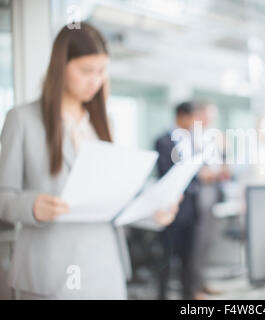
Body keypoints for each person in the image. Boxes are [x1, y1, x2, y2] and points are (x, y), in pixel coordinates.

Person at [0, 22, 179, 300]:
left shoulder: (106, 123)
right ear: (61, 66)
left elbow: (117, 198)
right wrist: (31, 206)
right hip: (49, 273)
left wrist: (153, 211)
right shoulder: (22, 119)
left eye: (101, 71)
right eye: (86, 71)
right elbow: (4, 197)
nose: (94, 81)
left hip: (104, 267)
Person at [155, 101, 200, 300]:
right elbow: (164, 173)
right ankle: (162, 296)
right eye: (192, 118)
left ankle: (188, 297)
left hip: (190, 209)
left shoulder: (192, 142)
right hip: (170, 208)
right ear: (181, 116)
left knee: (188, 260)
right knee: (166, 259)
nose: (194, 123)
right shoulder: (163, 141)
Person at [191, 101, 230, 299]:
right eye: (208, 114)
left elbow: (221, 169)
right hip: (200, 197)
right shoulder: (192, 138)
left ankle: (202, 283)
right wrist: (213, 173)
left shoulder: (213, 138)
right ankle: (194, 288)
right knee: (197, 244)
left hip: (213, 194)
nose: (211, 119)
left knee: (207, 242)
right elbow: (201, 173)